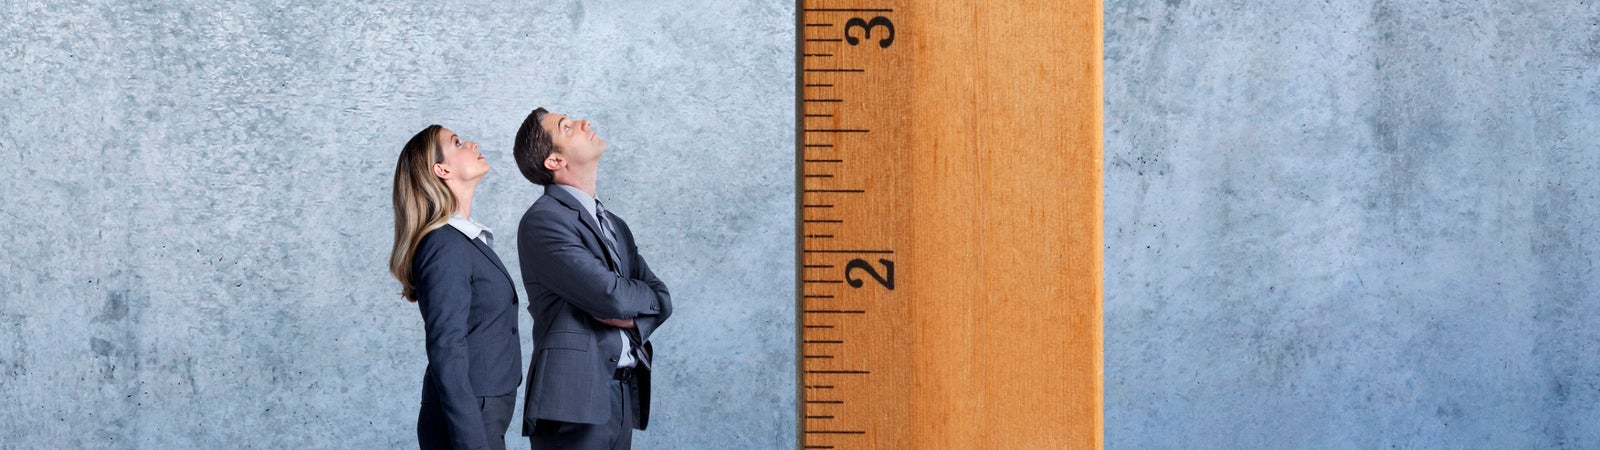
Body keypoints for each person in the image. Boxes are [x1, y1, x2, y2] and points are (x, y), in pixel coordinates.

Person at [511, 108, 672, 449]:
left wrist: (632, 314)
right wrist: (633, 304)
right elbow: (611, 298)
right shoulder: (544, 220)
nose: (584, 123)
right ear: (555, 161)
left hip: (621, 393)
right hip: (573, 402)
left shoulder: (614, 224)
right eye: (567, 127)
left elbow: (662, 298)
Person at [389, 125, 522, 450]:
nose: (472, 143)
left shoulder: (463, 239)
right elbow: (446, 348)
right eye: (457, 143)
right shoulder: (444, 244)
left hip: (481, 408)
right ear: (442, 170)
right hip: (467, 417)